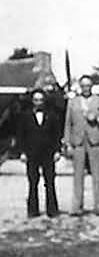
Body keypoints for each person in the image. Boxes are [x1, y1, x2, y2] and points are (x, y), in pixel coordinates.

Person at [63, 75, 99, 216]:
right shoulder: (73, 102)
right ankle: (77, 206)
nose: (86, 88)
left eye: (88, 85)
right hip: (78, 142)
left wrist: (98, 119)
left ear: (92, 86)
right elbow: (68, 124)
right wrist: (67, 142)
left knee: (97, 176)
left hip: (95, 142)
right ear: (80, 86)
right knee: (78, 176)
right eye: (83, 85)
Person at [17, 89, 62, 218]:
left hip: (48, 153)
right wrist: (22, 152)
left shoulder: (52, 115)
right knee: (32, 182)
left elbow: (56, 135)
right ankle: (32, 210)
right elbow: (21, 135)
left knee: (50, 182)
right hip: (31, 153)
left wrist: (57, 151)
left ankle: (52, 210)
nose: (39, 103)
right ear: (32, 101)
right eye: (36, 100)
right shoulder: (25, 115)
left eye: (41, 100)